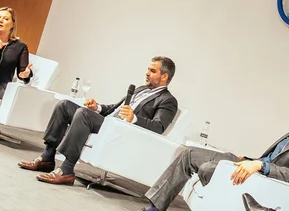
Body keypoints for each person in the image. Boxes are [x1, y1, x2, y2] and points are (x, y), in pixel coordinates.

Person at [114, 86, 289, 211]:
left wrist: (260, 165)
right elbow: (273, 158)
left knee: (210, 167)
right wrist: (251, 159)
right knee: (190, 152)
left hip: (261, 179)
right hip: (251, 165)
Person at [18, 56, 178, 186]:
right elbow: (115, 108)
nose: (147, 73)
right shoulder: (141, 89)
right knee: (64, 105)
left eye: (152, 71)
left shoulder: (168, 100)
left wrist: (134, 118)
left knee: (83, 114)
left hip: (121, 132)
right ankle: (47, 157)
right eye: (148, 69)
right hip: (107, 122)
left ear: (164, 76)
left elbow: (158, 127)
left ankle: (67, 170)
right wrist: (98, 108)